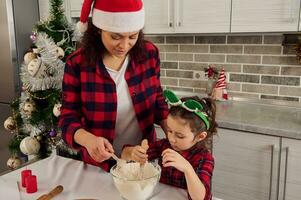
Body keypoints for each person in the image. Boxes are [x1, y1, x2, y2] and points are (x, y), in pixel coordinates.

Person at [59, 0, 168, 171]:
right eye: (115, 37)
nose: (124, 46)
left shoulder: (149, 54)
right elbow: (67, 119)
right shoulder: (78, 64)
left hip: (143, 159)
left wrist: (174, 131)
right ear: (98, 29)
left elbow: (158, 101)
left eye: (133, 36)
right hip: (99, 164)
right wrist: (89, 140)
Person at [122, 90, 218, 200]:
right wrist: (132, 152)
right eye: (169, 130)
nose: (172, 139)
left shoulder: (204, 159)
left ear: (200, 136)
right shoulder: (164, 145)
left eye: (180, 136)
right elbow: (126, 155)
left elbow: (201, 197)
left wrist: (187, 168)